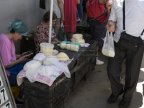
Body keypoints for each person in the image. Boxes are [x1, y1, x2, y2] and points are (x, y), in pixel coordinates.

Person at [106, 0, 144, 108]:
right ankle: (117, 91)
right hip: (119, 41)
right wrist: (110, 24)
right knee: (111, 70)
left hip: (138, 43)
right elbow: (112, 19)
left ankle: (127, 98)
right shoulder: (117, 2)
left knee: (132, 75)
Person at [0, 19, 30, 86]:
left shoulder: (9, 39)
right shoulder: (5, 41)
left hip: (11, 66)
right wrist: (19, 60)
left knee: (28, 65)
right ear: (16, 32)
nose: (21, 38)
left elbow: (8, 55)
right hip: (6, 73)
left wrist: (19, 55)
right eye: (21, 35)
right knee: (27, 75)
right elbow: (6, 65)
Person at [86, 0, 110, 65]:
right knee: (96, 41)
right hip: (98, 20)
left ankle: (95, 57)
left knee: (95, 40)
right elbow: (101, 1)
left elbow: (87, 4)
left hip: (94, 18)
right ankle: (95, 59)